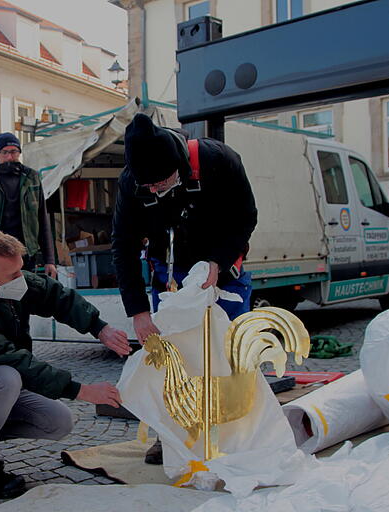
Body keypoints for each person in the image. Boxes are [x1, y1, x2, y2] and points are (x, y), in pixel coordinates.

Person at [0, 230, 131, 498]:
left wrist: (99, 328)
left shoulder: (5, 280)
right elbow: (15, 362)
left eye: (22, 270)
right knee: (6, 378)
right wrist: (83, 391)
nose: (22, 279)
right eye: (13, 276)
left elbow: (55, 295)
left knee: (58, 421)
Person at [111, 113, 257, 464]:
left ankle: (236, 431)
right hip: (171, 272)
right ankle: (173, 433)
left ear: (179, 165)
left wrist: (218, 261)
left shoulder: (218, 160)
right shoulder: (132, 183)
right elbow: (123, 245)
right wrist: (138, 311)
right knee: (171, 357)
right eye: (151, 188)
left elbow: (246, 217)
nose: (156, 191)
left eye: (162, 183)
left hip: (221, 268)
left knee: (229, 350)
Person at [0, 132, 58, 278]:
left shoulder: (32, 179)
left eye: (13, 152)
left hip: (26, 254)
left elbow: (42, 220)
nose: (9, 157)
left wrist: (50, 260)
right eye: (4, 152)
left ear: (19, 152)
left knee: (25, 295)